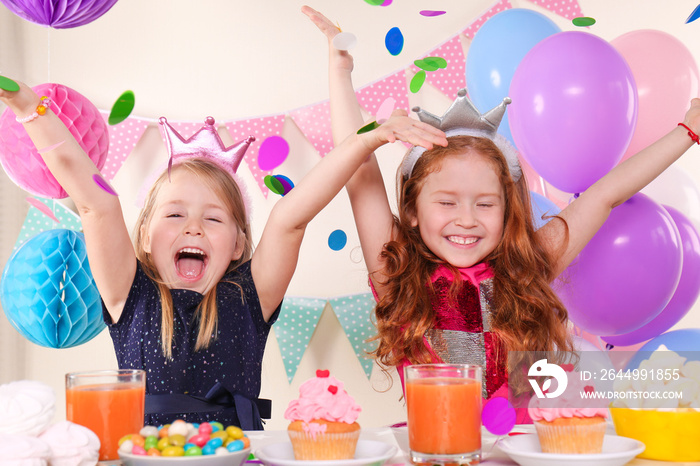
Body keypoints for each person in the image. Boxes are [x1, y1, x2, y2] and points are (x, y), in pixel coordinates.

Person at [303, 5, 700, 417]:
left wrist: (687, 131)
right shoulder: (398, 276)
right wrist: (340, 70)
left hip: (525, 451)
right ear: (413, 211)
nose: (467, 219)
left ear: (507, 209)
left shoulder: (526, 266)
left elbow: (604, 196)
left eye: (485, 203)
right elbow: (360, 177)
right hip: (438, 454)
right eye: (446, 202)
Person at [0, 79, 446, 429]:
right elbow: (96, 202)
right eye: (174, 215)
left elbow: (291, 217)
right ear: (146, 238)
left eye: (213, 219)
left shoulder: (251, 295)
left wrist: (367, 140)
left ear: (237, 244)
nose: (193, 226)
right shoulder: (127, 292)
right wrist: (29, 109)